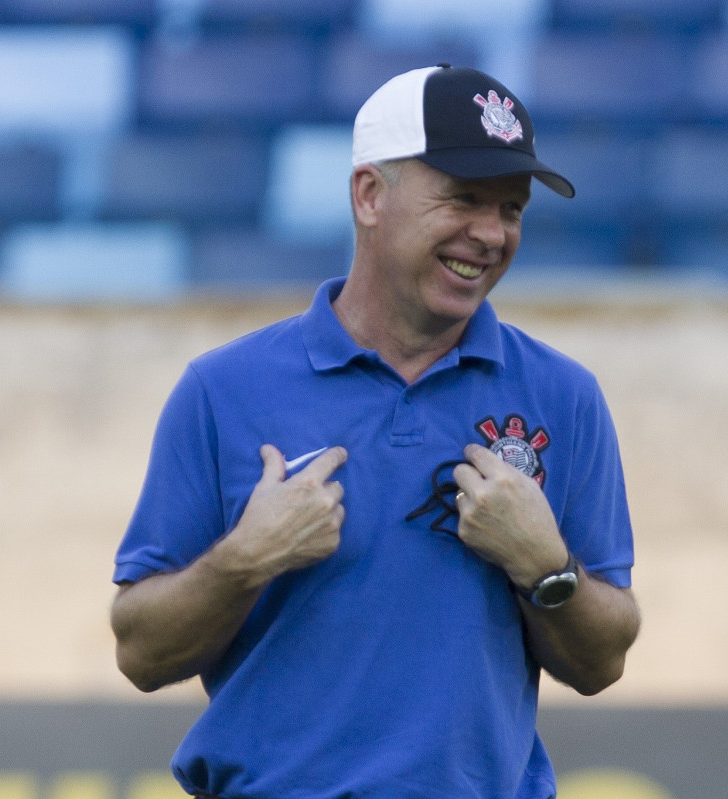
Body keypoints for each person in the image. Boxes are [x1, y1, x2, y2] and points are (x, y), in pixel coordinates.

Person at [110, 64, 640, 799]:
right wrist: (244, 561)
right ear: (369, 195)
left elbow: (603, 659)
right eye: (464, 199)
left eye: (511, 209)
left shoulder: (564, 396)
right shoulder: (223, 390)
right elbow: (139, 651)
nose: (490, 234)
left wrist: (545, 566)